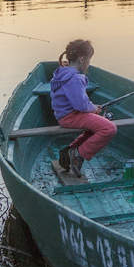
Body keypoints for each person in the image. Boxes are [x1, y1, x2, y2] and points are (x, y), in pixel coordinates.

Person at [51, 39, 115, 178]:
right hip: (70, 116)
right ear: (82, 59)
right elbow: (80, 105)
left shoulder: (63, 72)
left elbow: (79, 101)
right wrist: (92, 109)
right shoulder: (74, 78)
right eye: (89, 60)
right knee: (109, 128)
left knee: (98, 124)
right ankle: (78, 155)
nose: (89, 64)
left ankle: (70, 150)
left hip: (66, 114)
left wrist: (92, 108)